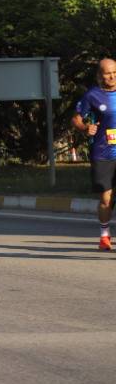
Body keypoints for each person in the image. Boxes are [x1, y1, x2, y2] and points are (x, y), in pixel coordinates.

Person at [72, 58, 116, 251]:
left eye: (115, 72)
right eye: (108, 73)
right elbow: (76, 119)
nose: (112, 76)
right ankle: (104, 235)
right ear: (100, 75)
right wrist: (85, 127)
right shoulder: (92, 95)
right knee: (106, 199)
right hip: (103, 153)